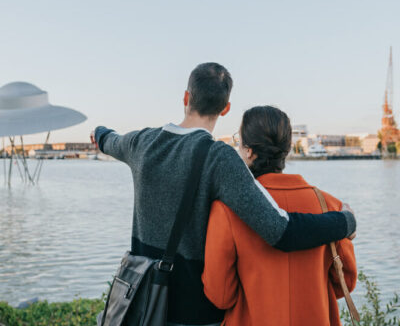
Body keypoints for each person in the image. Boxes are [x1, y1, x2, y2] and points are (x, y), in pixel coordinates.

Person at [92, 63, 356, 326]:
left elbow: (108, 139)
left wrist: (98, 133)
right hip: (194, 313)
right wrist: (345, 222)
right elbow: (281, 231)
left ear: (186, 97)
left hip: (142, 302)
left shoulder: (141, 142)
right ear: (226, 108)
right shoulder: (219, 158)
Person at [202, 105, 357, 326]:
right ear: (288, 148)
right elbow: (345, 283)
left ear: (249, 151)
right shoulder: (332, 207)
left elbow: (221, 295)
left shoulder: (227, 209)